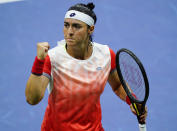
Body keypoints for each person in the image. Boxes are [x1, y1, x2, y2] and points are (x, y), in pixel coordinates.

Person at [25, 2, 147, 131]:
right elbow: (32, 99)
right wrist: (39, 61)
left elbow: (117, 85)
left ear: (91, 29)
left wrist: (132, 100)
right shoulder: (52, 58)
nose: (69, 32)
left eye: (76, 26)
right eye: (66, 25)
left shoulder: (105, 54)